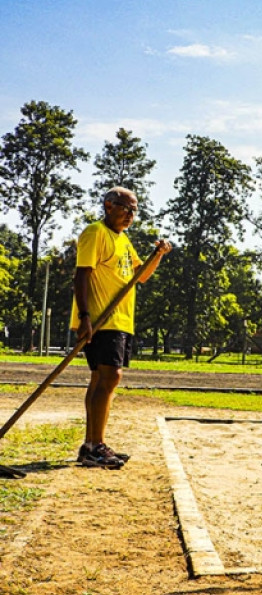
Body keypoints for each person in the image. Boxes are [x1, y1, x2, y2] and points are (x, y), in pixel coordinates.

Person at [71, 187, 172, 468]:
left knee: (101, 380)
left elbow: (141, 276)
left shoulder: (123, 240)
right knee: (110, 377)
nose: (131, 214)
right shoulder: (95, 232)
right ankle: (95, 445)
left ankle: (91, 445)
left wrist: (159, 254)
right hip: (102, 318)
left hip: (121, 319)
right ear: (108, 206)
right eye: (125, 208)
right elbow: (81, 274)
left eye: (134, 210)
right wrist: (85, 316)